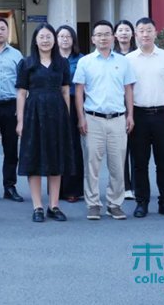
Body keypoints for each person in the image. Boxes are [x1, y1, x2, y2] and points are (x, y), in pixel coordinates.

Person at [73, 20, 136, 221]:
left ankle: (114, 204)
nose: (103, 38)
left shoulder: (123, 62)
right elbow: (79, 91)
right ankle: (93, 204)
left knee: (117, 165)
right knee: (92, 165)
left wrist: (130, 115)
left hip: (118, 119)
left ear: (113, 37)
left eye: (107, 34)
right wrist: (81, 117)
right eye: (99, 35)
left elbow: (128, 89)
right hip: (93, 119)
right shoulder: (85, 62)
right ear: (93, 39)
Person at [126, 17, 164, 220]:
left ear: (155, 33)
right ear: (136, 35)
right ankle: (141, 202)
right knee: (139, 163)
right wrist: (129, 115)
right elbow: (127, 89)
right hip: (138, 115)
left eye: (149, 30)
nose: (145, 34)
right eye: (141, 31)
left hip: (163, 115)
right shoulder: (128, 60)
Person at [16, 24, 74, 222]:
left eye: (49, 36)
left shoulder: (62, 63)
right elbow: (21, 93)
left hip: (57, 113)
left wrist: (67, 117)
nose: (45, 40)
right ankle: (37, 207)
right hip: (34, 113)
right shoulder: (27, 63)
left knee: (56, 158)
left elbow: (65, 91)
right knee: (34, 158)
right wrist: (20, 121)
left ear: (54, 40)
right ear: (35, 40)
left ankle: (54, 206)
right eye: (41, 37)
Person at [0, 17, 25, 202]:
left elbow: (23, 84)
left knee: (11, 149)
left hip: (11, 105)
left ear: (7, 32)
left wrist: (21, 109)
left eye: (2, 29)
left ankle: (10, 187)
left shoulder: (17, 55)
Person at [56, 25, 85, 203]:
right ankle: (57, 189)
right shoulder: (51, 58)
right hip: (54, 104)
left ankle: (73, 189)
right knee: (56, 146)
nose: (65, 39)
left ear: (73, 40)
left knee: (73, 146)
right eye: (61, 36)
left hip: (75, 104)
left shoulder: (81, 60)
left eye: (68, 36)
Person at [114, 19, 137, 200]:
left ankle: (137, 186)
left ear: (132, 34)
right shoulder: (111, 56)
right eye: (120, 30)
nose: (123, 33)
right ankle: (125, 186)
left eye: (126, 30)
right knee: (121, 150)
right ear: (115, 34)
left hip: (138, 106)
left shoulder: (138, 55)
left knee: (137, 149)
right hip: (118, 108)